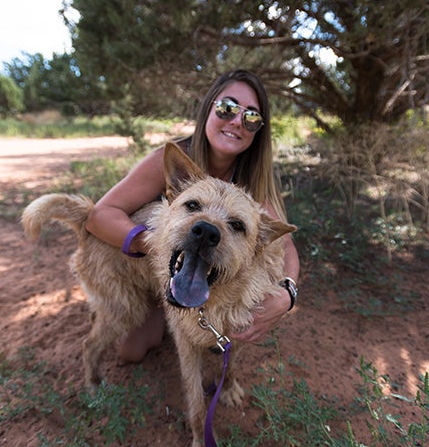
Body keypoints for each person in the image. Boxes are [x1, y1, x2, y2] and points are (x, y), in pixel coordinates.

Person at [84, 69, 300, 362]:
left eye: (251, 117)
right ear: (209, 107)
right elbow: (99, 216)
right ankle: (162, 301)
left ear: (257, 131)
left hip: (203, 269)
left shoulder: (253, 181)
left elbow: (285, 246)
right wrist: (155, 245)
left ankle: (188, 301)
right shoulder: (176, 161)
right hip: (149, 267)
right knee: (132, 351)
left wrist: (288, 295)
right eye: (227, 108)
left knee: (210, 332)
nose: (237, 121)